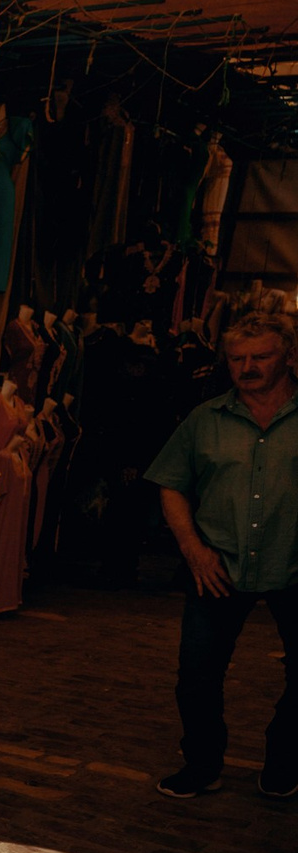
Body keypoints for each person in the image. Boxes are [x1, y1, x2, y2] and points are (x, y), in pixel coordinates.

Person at [146, 311, 297, 799]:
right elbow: (171, 483)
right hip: (217, 565)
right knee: (196, 676)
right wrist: (192, 549)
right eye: (237, 358)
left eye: (260, 356)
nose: (247, 366)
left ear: (289, 356)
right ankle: (202, 763)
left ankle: (285, 761)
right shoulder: (204, 419)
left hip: (293, 564)